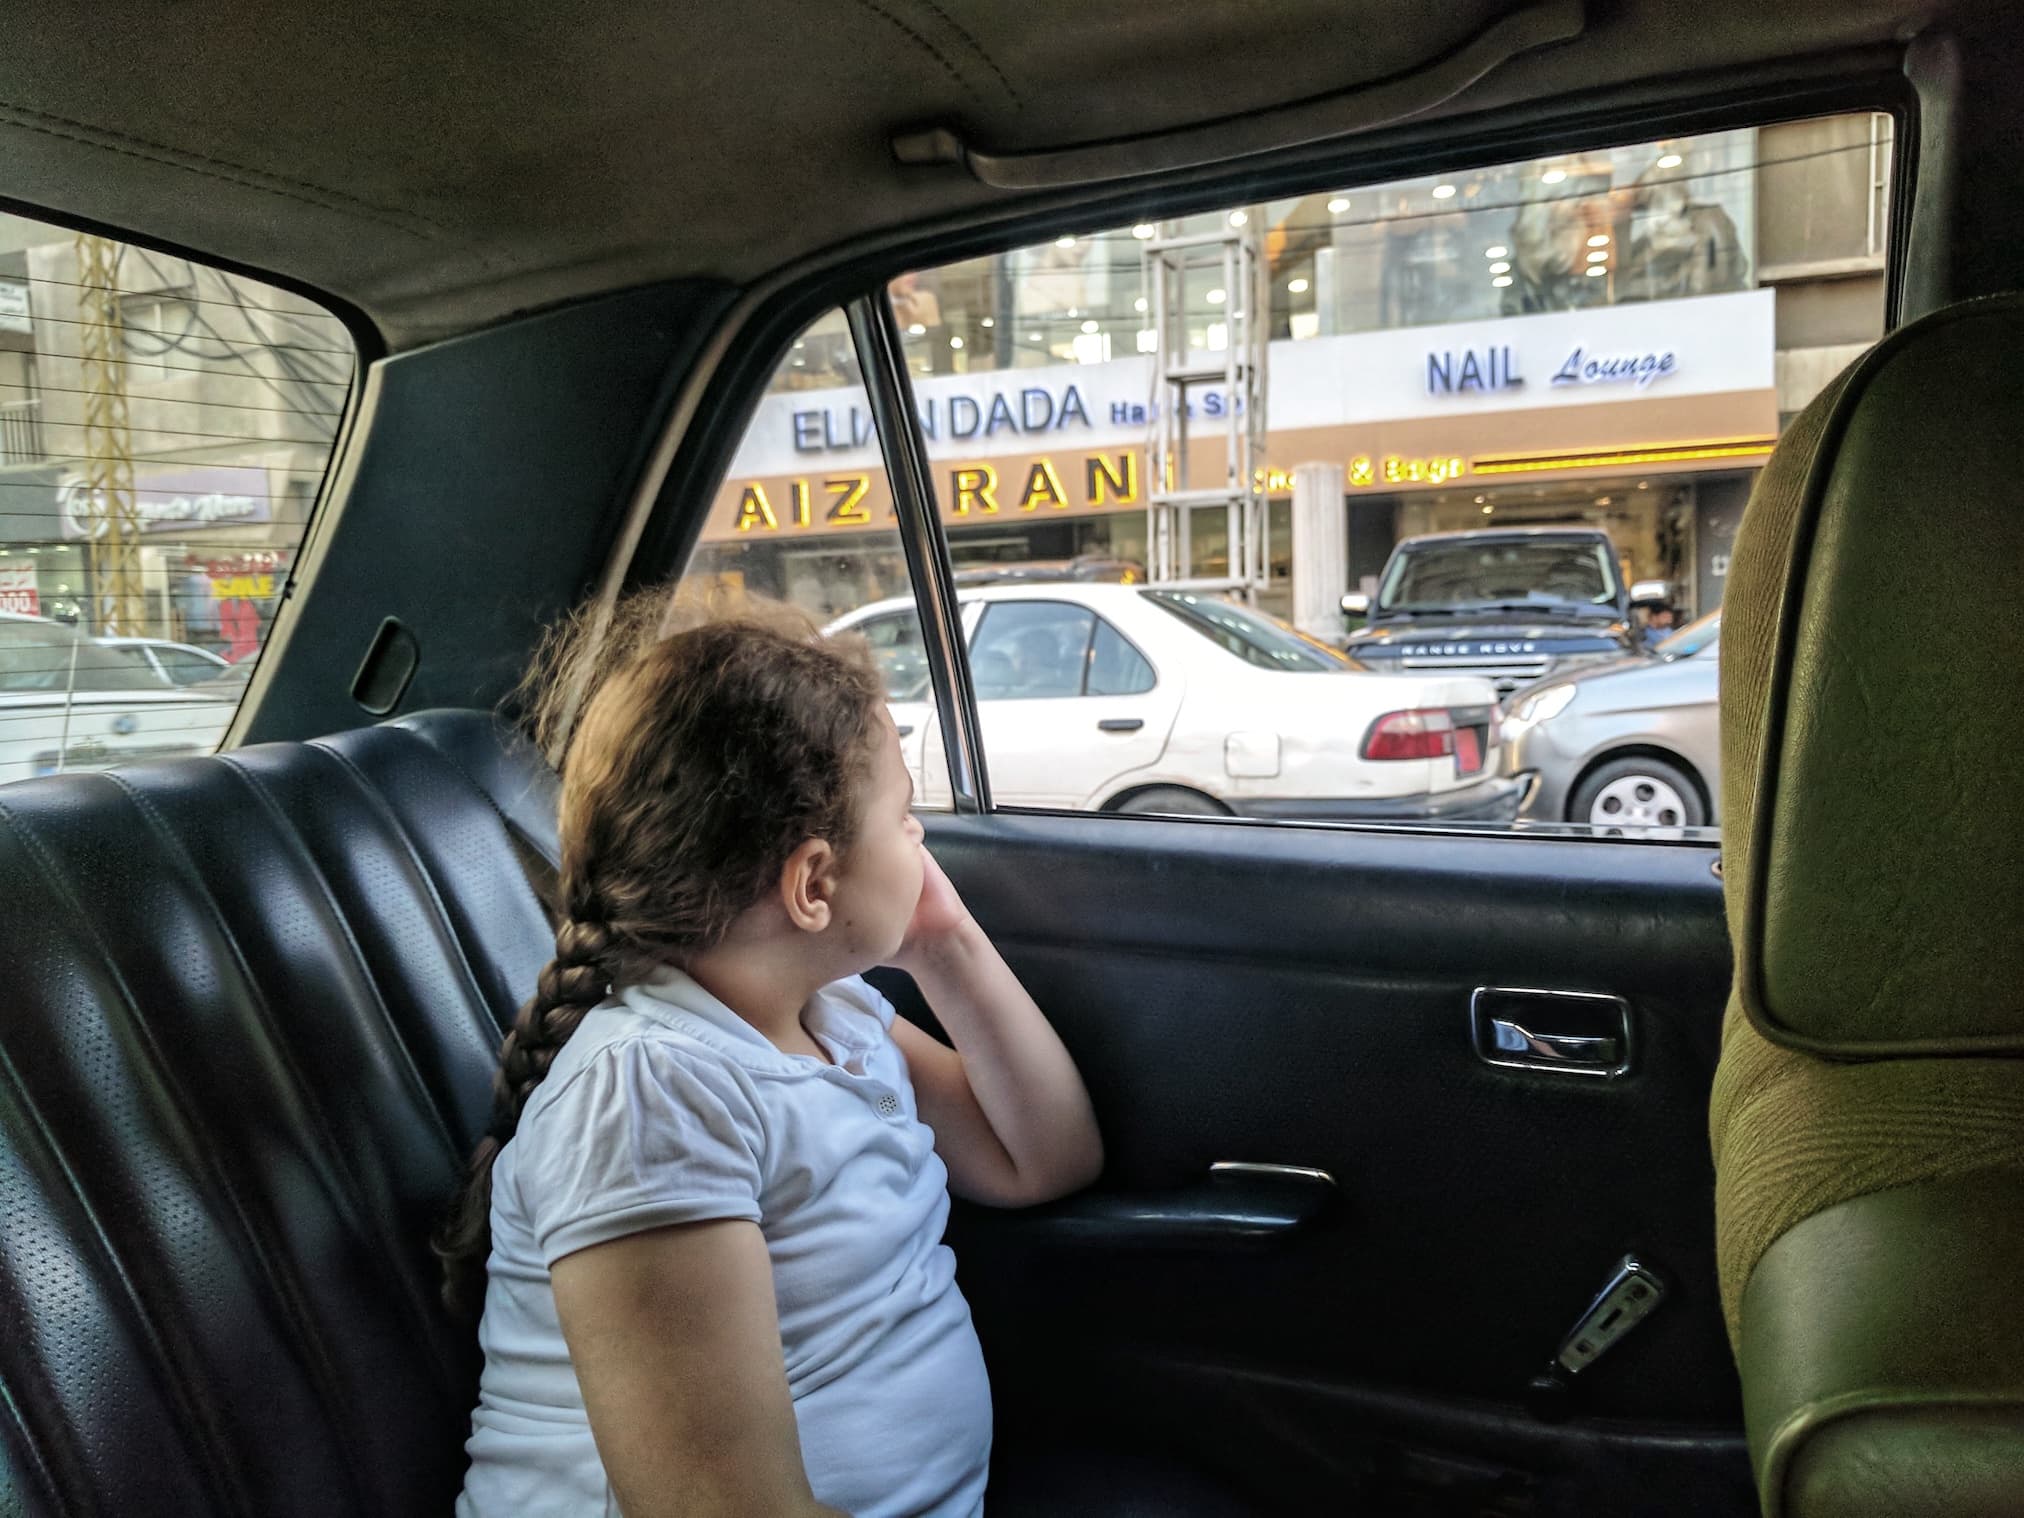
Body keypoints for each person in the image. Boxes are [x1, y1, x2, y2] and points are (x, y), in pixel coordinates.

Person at [441, 591, 1103, 1518]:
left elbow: (1042, 1160)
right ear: (812, 883)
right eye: (904, 816)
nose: (920, 838)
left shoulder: (831, 1018)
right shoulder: (653, 1095)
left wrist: (943, 937)